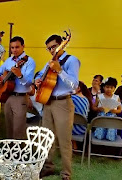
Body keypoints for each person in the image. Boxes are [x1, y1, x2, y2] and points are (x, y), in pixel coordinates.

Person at [34, 34, 80, 180]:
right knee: (47, 138)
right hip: (48, 101)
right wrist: (38, 80)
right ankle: (48, 166)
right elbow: (41, 74)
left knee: (64, 139)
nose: (51, 50)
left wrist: (60, 71)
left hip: (63, 102)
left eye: (53, 47)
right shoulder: (51, 61)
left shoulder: (71, 60)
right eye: (49, 49)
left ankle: (66, 173)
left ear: (61, 45)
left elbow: (74, 84)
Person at [0, 36, 35, 139]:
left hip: (20, 97)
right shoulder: (8, 60)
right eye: (12, 48)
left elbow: (28, 83)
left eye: (17, 47)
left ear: (23, 46)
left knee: (18, 129)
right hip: (7, 96)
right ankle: (10, 151)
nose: (14, 50)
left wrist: (20, 75)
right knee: (9, 127)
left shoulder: (29, 61)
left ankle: (19, 153)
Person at [92, 77, 122, 141]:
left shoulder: (116, 97)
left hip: (112, 119)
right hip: (101, 118)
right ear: (104, 87)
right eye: (107, 87)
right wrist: (98, 109)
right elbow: (93, 107)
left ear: (114, 89)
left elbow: (119, 110)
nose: (109, 89)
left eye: (111, 88)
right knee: (99, 136)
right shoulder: (100, 97)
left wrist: (114, 111)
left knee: (110, 137)